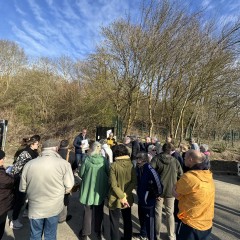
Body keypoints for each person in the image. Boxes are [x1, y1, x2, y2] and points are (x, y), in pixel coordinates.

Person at [19, 139, 74, 240]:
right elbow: (69, 186)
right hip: (53, 206)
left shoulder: (29, 164)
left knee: (35, 235)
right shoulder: (64, 164)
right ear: (56, 149)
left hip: (35, 206)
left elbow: (22, 188)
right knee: (50, 235)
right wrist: (61, 193)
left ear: (43, 149)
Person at [173, 150, 215, 240]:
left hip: (190, 224)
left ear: (190, 159)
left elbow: (176, 193)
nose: (183, 159)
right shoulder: (208, 174)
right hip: (206, 223)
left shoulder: (188, 177)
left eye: (185, 158)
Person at [151, 143, 183, 240]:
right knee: (170, 213)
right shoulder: (175, 161)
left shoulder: (156, 159)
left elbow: (150, 174)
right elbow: (181, 175)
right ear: (171, 150)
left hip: (158, 191)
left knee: (158, 213)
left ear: (162, 149)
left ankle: (157, 235)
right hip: (171, 191)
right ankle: (171, 236)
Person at [78, 141, 109, 240]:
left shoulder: (86, 159)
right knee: (99, 211)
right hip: (99, 189)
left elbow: (81, 174)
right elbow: (108, 173)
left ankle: (85, 233)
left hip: (88, 189)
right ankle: (98, 232)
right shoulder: (104, 160)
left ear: (91, 148)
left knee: (87, 211)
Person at [9, 136, 40, 229]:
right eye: (37, 144)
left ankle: (26, 212)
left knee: (30, 196)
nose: (38, 146)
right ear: (32, 144)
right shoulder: (25, 153)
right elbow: (16, 168)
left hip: (31, 179)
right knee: (20, 200)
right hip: (21, 179)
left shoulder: (35, 152)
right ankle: (13, 221)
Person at [108, 144, 137, 240]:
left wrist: (121, 196)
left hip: (115, 197)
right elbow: (134, 182)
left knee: (114, 221)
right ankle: (128, 238)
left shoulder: (113, 166)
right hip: (127, 197)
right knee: (127, 219)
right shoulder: (131, 165)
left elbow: (113, 185)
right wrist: (125, 195)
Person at [135, 152, 163, 240]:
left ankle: (152, 238)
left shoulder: (150, 169)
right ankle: (143, 235)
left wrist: (158, 194)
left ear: (144, 160)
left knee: (150, 223)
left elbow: (158, 183)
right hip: (141, 199)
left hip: (149, 201)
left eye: (139, 159)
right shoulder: (139, 168)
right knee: (142, 219)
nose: (137, 161)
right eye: (137, 159)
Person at [58, 139, 77, 224]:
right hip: (67, 179)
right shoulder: (72, 154)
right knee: (65, 197)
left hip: (55, 178)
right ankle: (62, 217)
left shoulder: (55, 153)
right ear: (67, 145)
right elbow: (75, 166)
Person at [0, 150, 14, 240]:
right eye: (2, 158)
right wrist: (11, 175)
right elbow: (9, 181)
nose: (3, 160)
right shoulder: (1, 174)